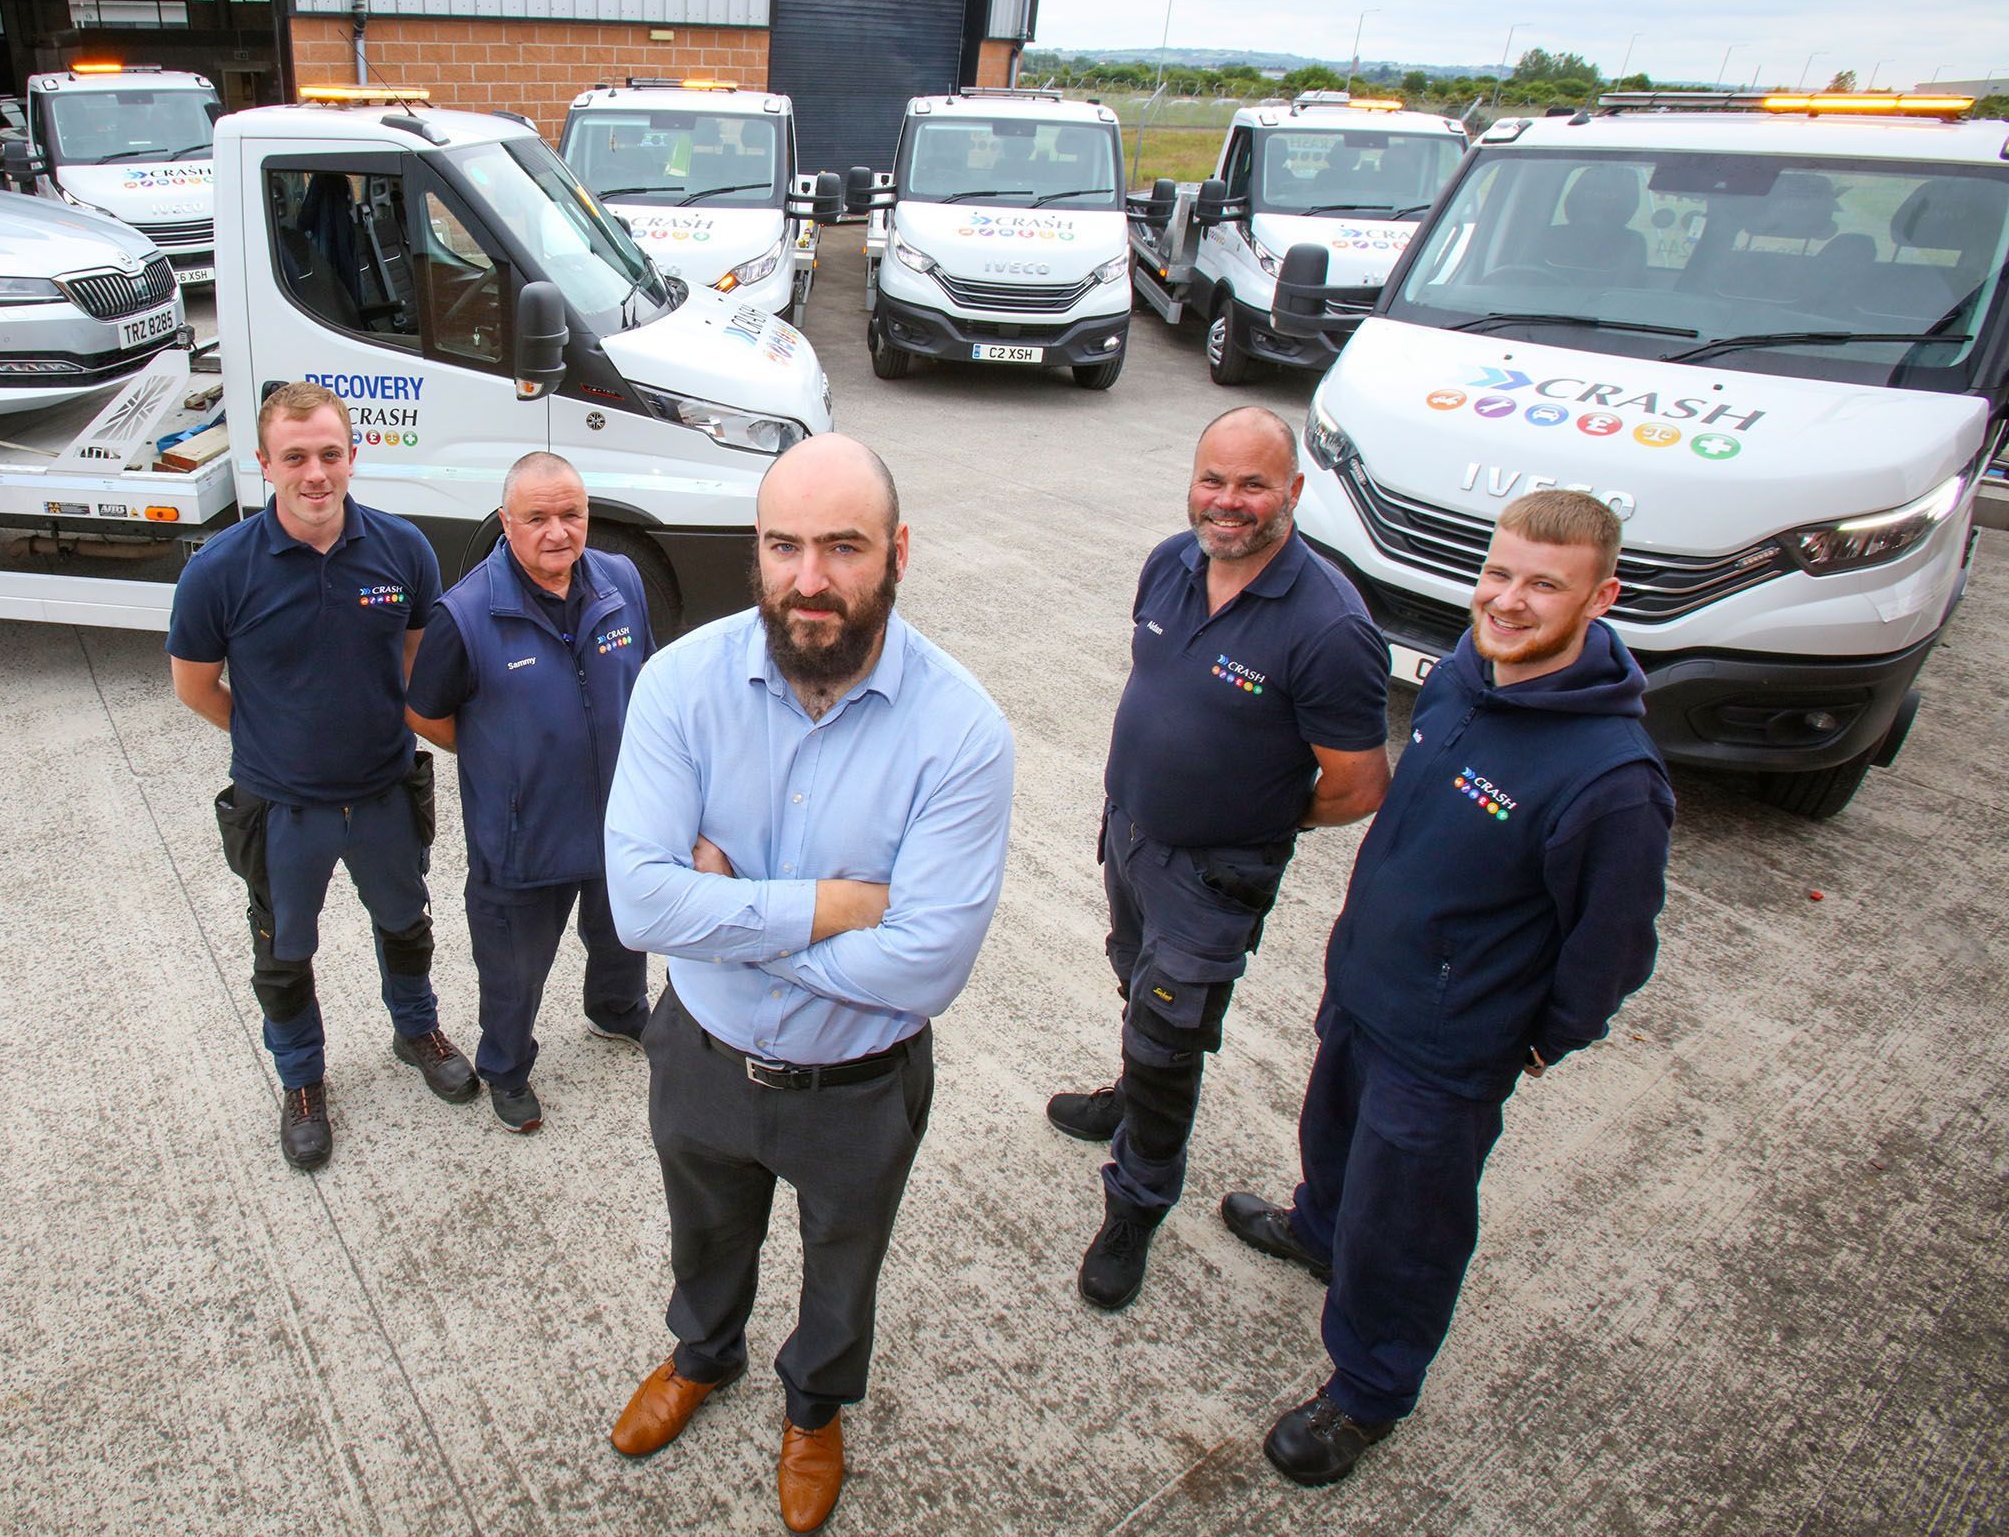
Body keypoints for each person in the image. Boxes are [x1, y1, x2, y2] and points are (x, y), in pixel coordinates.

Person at [603, 434, 1015, 1536]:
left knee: (843, 1257)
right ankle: (704, 1354)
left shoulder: (961, 731)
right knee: (703, 1232)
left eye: (843, 545)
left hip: (858, 1084)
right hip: (702, 1055)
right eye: (783, 544)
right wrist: (828, 906)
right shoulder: (678, 686)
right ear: (757, 549)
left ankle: (814, 1405)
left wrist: (732, 918)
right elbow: (640, 907)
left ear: (898, 552)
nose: (810, 578)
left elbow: (926, 960)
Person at [1223, 488, 1673, 1486]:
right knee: (1333, 1140)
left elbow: (1612, 950)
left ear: (1600, 596)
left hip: (1451, 1046)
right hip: (1366, 989)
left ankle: (1369, 1388)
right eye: (1497, 572)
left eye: (1541, 585)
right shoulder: (1467, 674)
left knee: (1410, 1223)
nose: (1506, 601)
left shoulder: (1613, 779)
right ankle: (1317, 1231)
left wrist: (1534, 1040)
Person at [1053, 405, 1391, 1311]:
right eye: (1214, 479)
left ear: (1293, 492)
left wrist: (1252, 819)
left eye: (1253, 484)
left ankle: (1137, 1204)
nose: (1228, 502)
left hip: (1213, 879)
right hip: (1131, 840)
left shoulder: (1331, 629)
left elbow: (1359, 786)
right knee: (1136, 982)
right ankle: (1127, 1092)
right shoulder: (1171, 563)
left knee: (1171, 1044)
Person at [167, 382, 478, 1175]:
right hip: (282, 810)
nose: (315, 473)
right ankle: (302, 1080)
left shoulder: (403, 549)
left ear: (353, 456)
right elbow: (195, 685)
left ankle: (417, 1030)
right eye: (296, 457)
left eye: (330, 454)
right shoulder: (219, 571)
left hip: (382, 793)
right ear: (263, 462)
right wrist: (273, 739)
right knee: (284, 952)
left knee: (406, 922)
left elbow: (417, 665)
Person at [404, 451, 655, 1134]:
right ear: (507, 524)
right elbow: (425, 712)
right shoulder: (464, 615)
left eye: (571, 514)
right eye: (537, 517)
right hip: (523, 840)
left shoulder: (621, 582)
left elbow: (646, 682)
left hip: (618, 823)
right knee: (513, 975)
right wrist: (497, 757)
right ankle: (507, 1068)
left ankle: (619, 1011)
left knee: (623, 938)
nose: (558, 532)